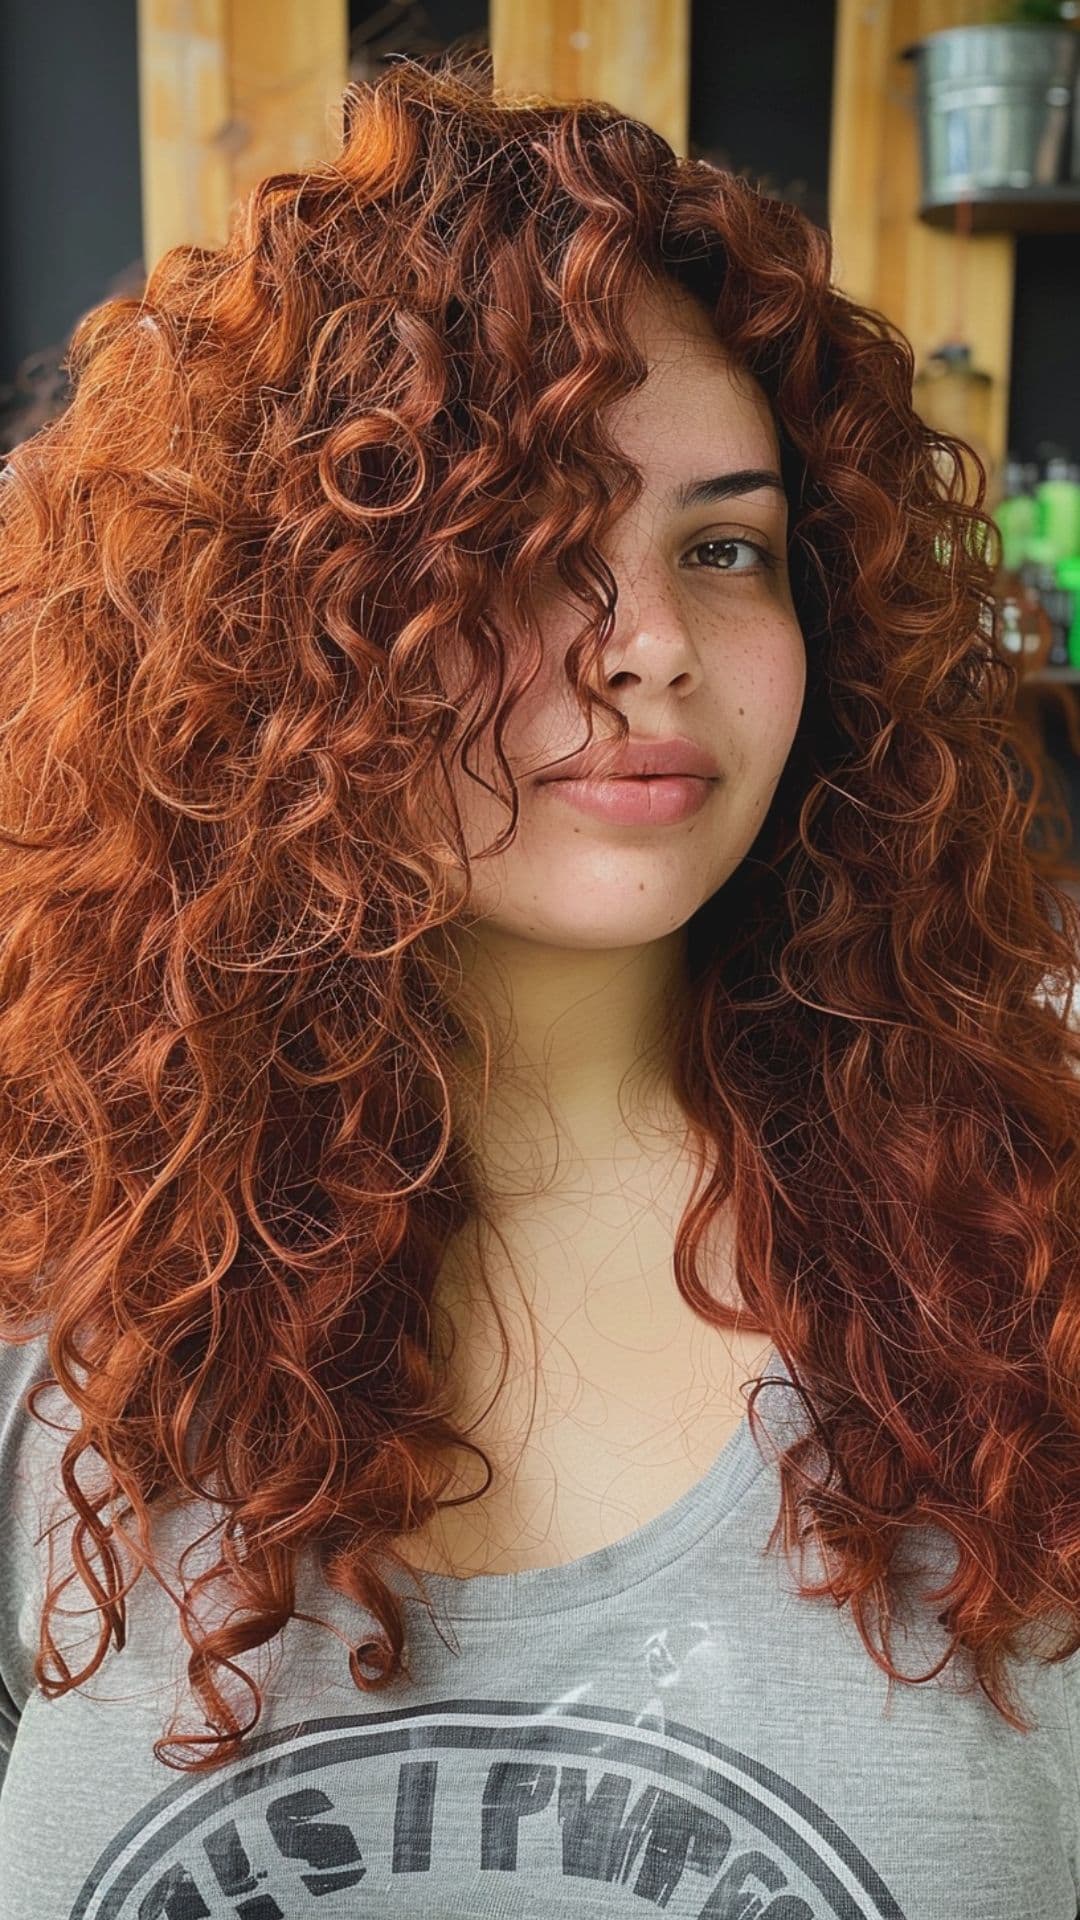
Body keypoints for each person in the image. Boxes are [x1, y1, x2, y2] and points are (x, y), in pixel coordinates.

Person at [0, 49, 1079, 1920]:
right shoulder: (48, 1289)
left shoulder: (1031, 1274)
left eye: (723, 547)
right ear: (291, 624)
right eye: (521, 545)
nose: (650, 643)